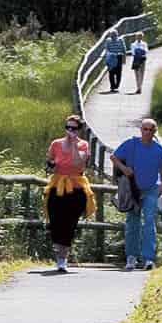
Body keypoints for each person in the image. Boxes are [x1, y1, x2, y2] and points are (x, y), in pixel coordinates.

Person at [111, 117, 162, 270]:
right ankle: (131, 256)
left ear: (154, 132)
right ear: (140, 130)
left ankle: (148, 258)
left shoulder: (158, 149)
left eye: (151, 130)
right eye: (145, 129)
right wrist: (125, 169)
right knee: (132, 222)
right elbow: (114, 157)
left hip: (151, 189)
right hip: (133, 189)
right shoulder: (131, 144)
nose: (147, 132)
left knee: (149, 221)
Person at [43, 113, 94, 271]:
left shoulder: (83, 145)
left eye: (73, 128)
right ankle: (58, 253)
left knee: (70, 222)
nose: (70, 131)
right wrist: (50, 164)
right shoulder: (56, 144)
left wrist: (73, 144)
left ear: (79, 130)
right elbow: (49, 162)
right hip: (57, 185)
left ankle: (63, 257)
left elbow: (79, 164)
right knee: (55, 220)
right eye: (68, 127)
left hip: (76, 187)